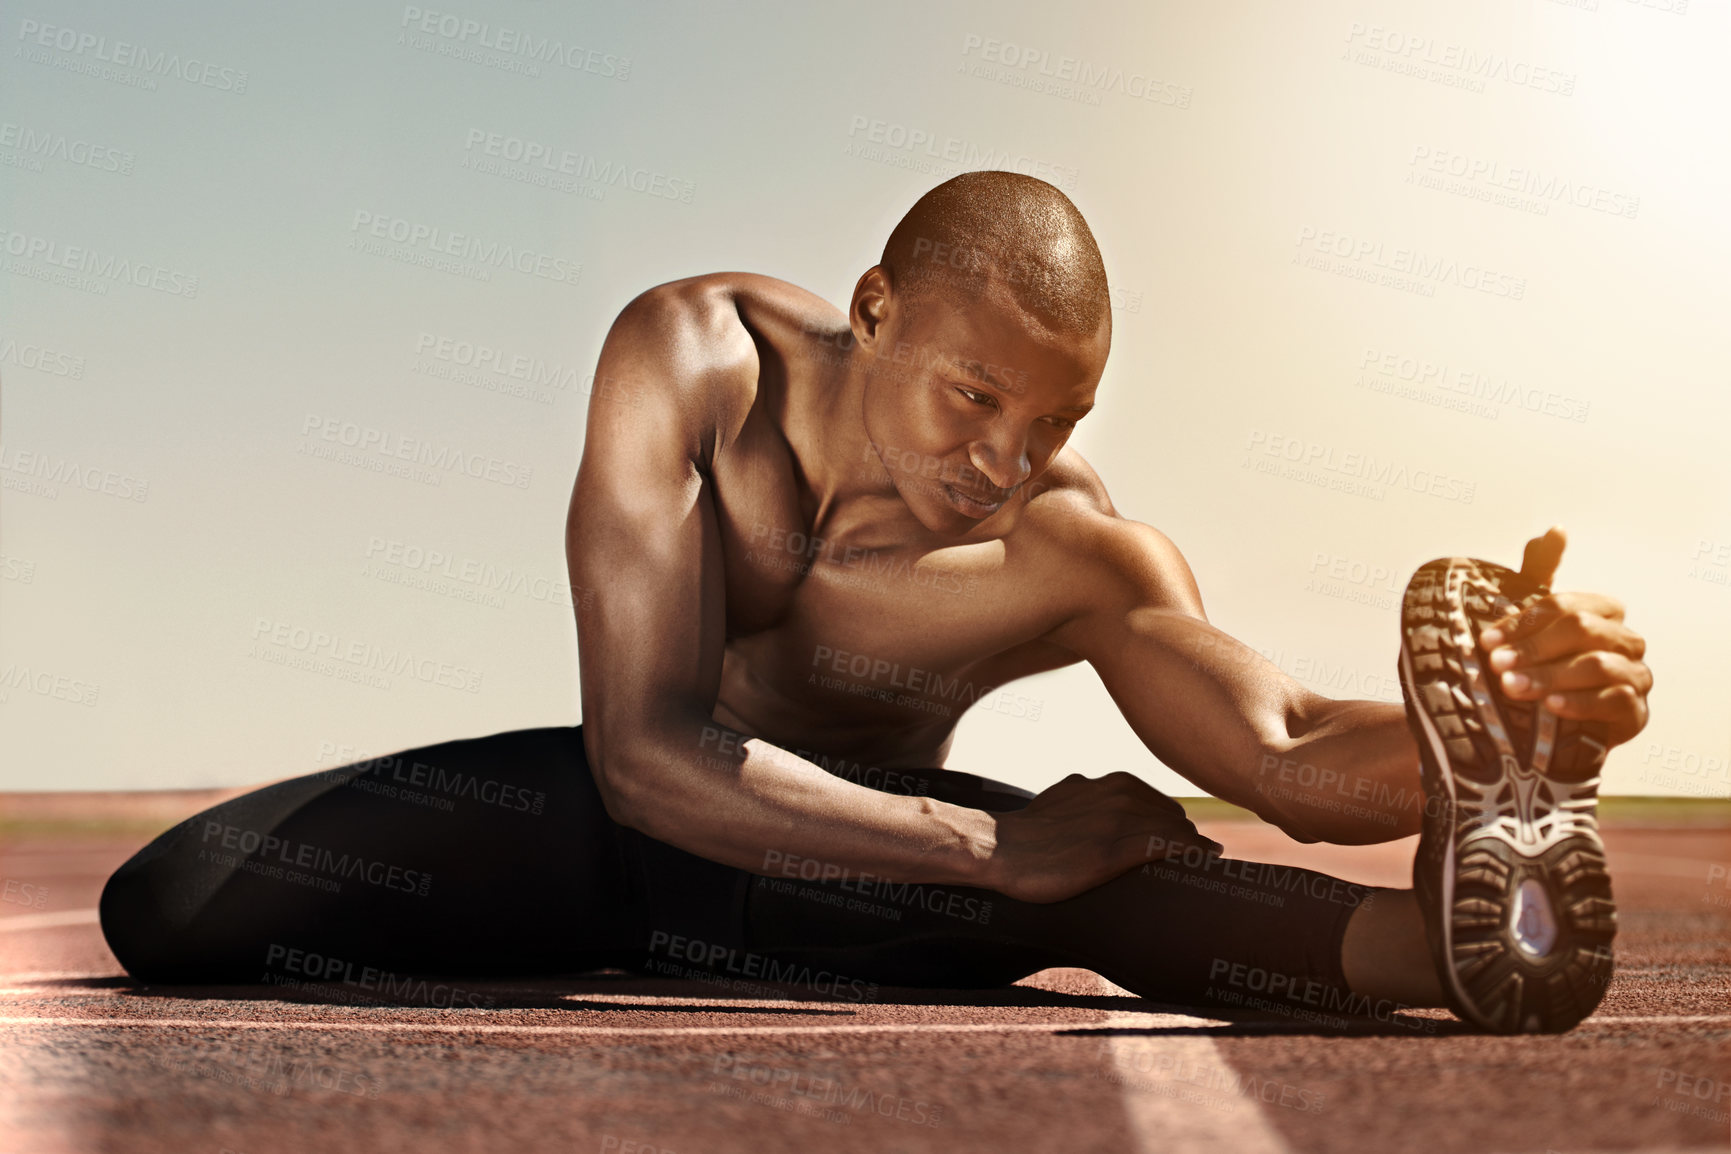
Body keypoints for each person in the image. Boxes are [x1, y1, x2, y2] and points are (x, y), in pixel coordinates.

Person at [100, 172, 1652, 1033]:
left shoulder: (1067, 544)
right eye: (976, 396)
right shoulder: (695, 361)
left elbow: (1281, 749)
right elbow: (643, 751)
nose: (1005, 460)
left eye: (1052, 422)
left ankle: (1446, 943)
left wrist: (1512, 706)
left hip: (854, 875)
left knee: (1105, 867)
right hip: (611, 828)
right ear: (875, 310)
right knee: (165, 908)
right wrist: (981, 838)